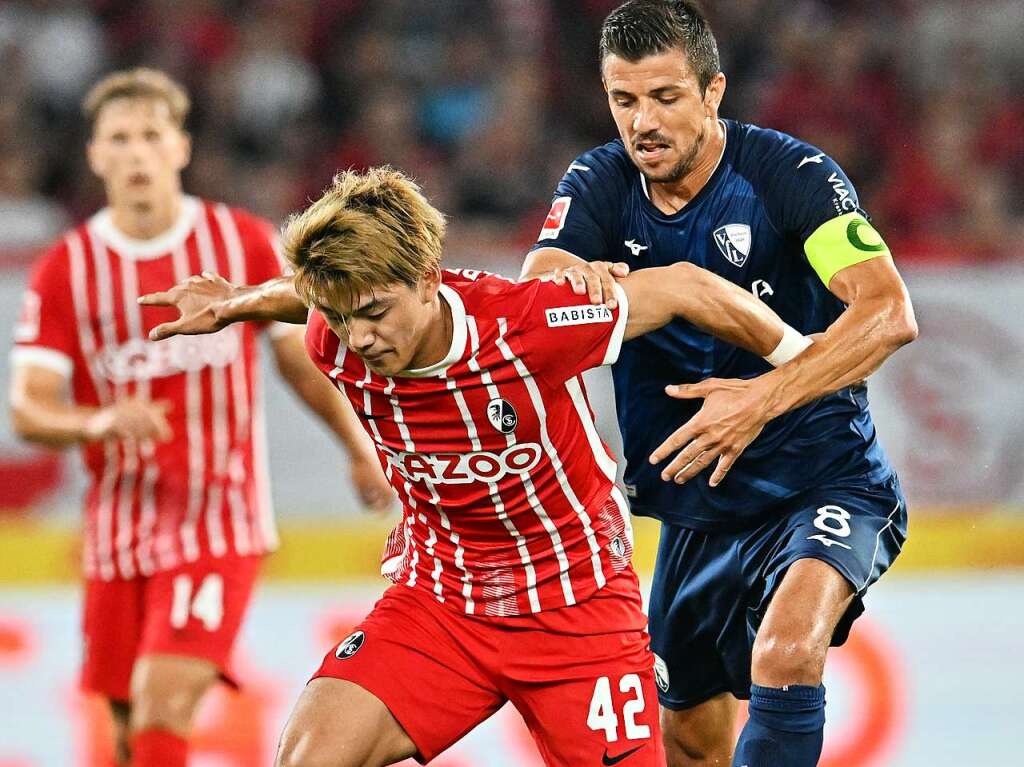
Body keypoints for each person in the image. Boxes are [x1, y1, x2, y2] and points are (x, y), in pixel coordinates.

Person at [139, 166, 814, 767]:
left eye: (376, 313)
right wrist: (240, 302)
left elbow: (689, 288)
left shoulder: (529, 324)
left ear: (429, 279)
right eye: (344, 320)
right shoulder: (334, 337)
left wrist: (800, 363)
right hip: (441, 604)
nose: (362, 338)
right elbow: (319, 298)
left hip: (576, 609)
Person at [520, 2, 918, 766]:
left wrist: (758, 400)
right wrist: (577, 275)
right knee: (690, 738)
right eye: (624, 99)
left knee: (787, 652)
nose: (643, 121)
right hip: (697, 512)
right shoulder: (599, 181)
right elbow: (538, 278)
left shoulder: (791, 175)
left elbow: (889, 312)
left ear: (713, 92)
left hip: (821, 483)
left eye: (666, 96)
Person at [8, 68, 393, 767]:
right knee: (128, 732)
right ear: (95, 154)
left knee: (161, 705)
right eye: (119, 139)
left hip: (217, 519)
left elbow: (297, 361)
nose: (136, 153)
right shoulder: (67, 268)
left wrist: (357, 444)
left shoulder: (239, 242)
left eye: (151, 135)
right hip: (117, 529)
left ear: (179, 147)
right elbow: (28, 406)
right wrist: (95, 425)